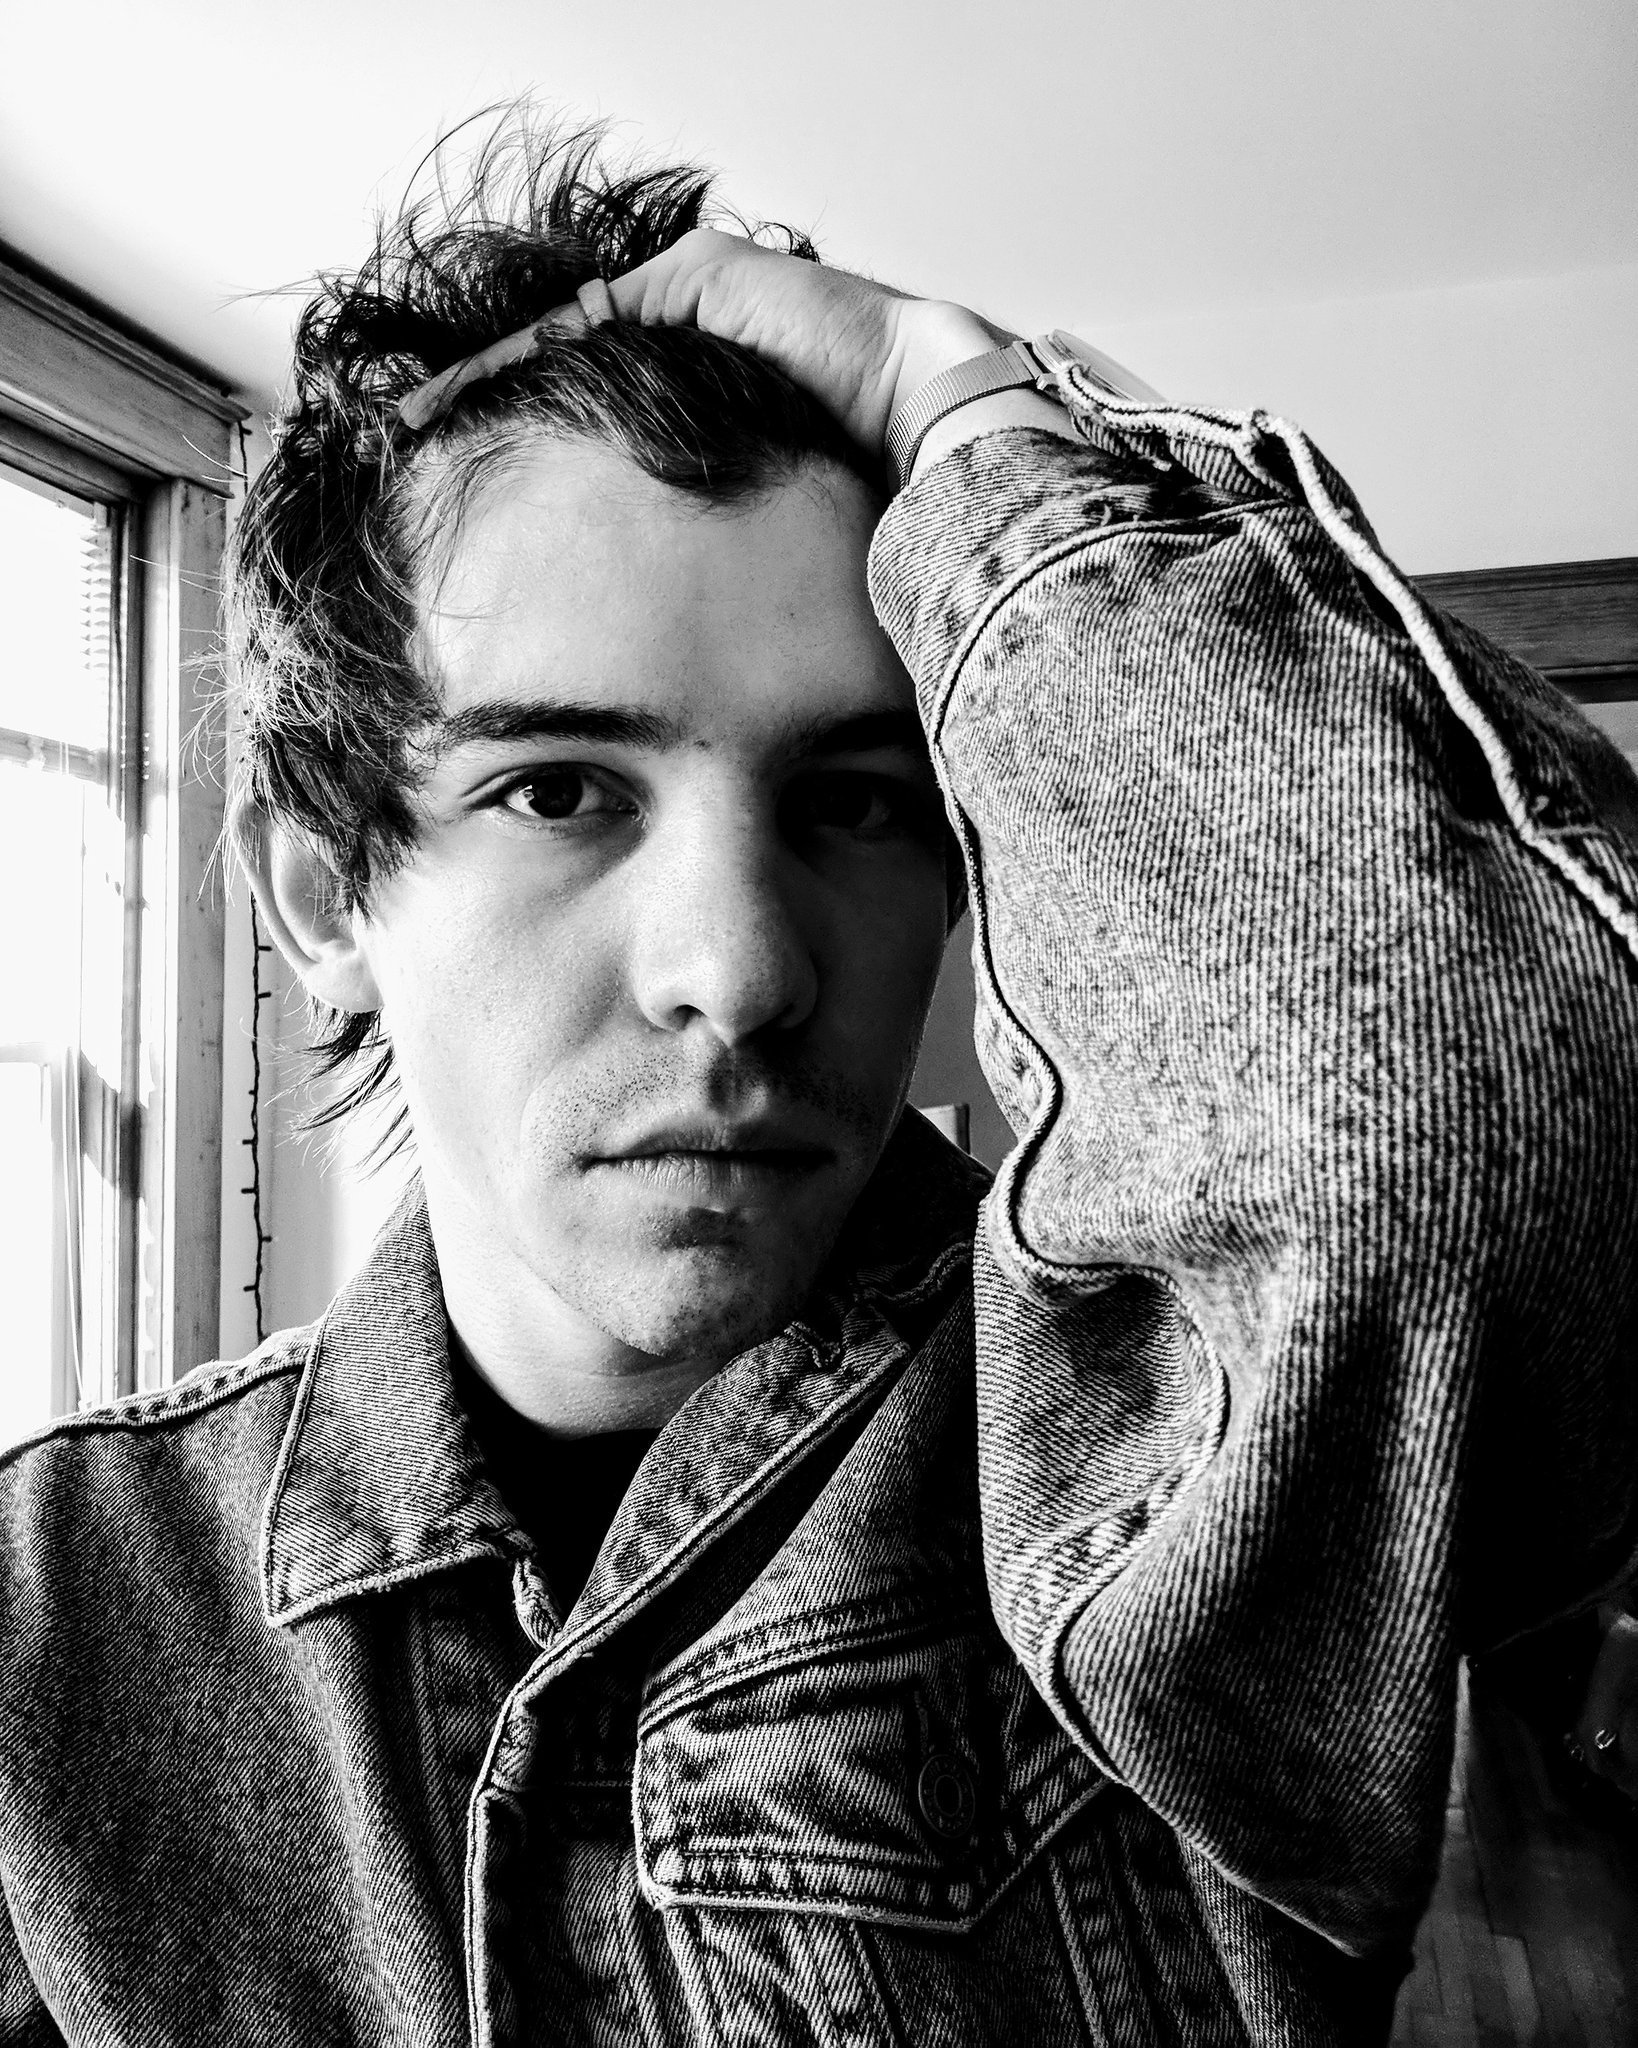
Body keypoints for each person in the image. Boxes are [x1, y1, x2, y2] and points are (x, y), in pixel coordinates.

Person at [1, 120, 1635, 2048]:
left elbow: (1462, 1137)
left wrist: (962, 406)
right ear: (322, 895)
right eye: (559, 791)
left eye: (855, 802)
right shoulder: (56, 1611)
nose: (742, 970)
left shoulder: (1171, 1458)